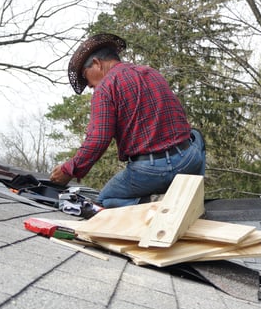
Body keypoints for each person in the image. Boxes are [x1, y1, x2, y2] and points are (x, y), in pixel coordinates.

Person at [49, 33, 206, 208]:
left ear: (97, 64)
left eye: (87, 78)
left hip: (149, 172)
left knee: (104, 201)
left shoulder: (105, 87)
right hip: (188, 161)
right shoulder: (151, 72)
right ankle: (192, 195)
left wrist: (69, 169)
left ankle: (151, 205)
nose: (90, 86)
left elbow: (98, 139)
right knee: (195, 136)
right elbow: (179, 118)